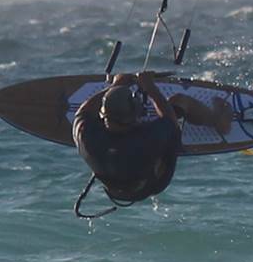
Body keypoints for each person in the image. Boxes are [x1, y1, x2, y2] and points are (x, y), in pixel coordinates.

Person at [70, 71, 190, 204]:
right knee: (179, 102)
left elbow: (82, 112)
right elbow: (171, 122)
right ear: (134, 116)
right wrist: (150, 87)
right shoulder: (146, 140)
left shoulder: (85, 133)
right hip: (150, 186)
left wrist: (115, 86)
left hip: (114, 192)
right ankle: (210, 119)